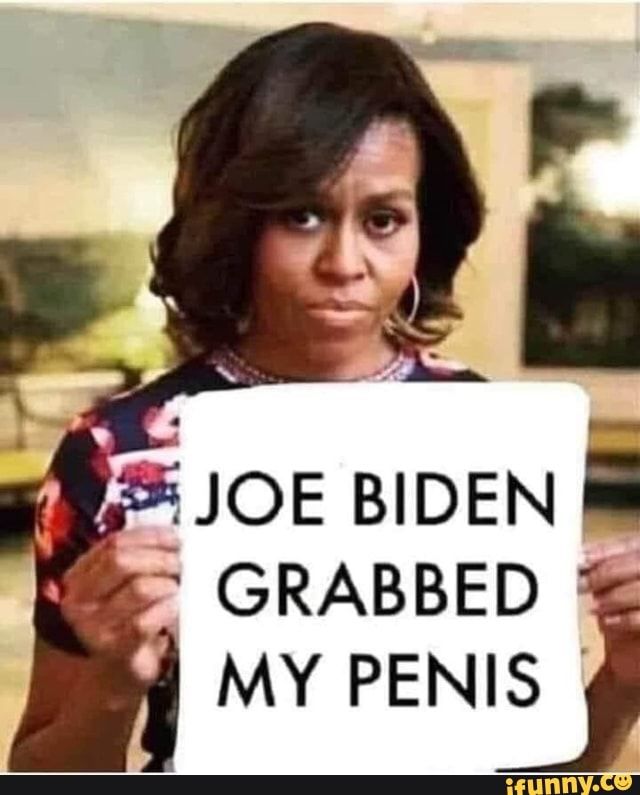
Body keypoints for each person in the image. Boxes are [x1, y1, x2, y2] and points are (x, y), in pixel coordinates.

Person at [8, 22, 640, 773]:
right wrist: (112, 684)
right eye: (301, 215)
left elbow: (542, 790)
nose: (344, 262)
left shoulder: (486, 438)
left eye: (383, 220)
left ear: (424, 232)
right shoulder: (116, 453)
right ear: (237, 222)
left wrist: (622, 682)